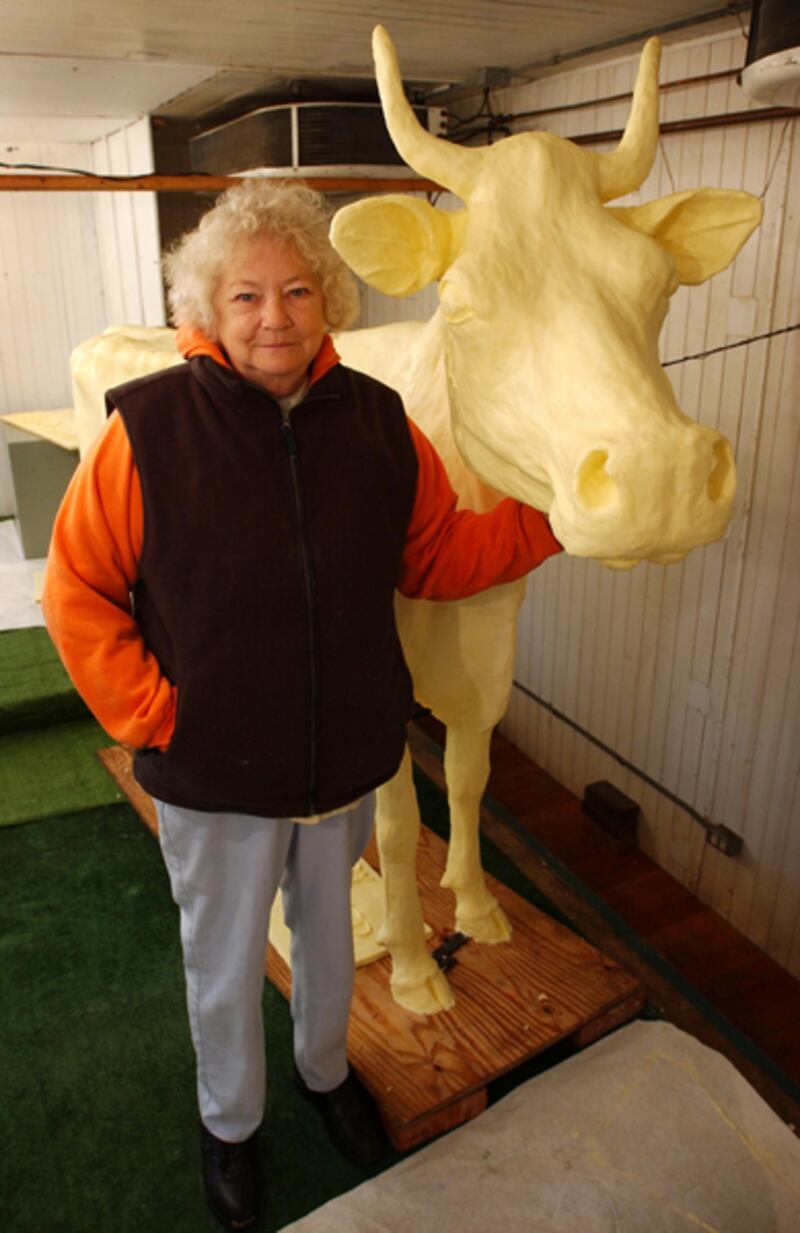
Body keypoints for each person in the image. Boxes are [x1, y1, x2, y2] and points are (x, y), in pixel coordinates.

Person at [43, 179, 562, 1230]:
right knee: (226, 960)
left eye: (295, 291)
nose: (272, 316)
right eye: (245, 295)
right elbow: (77, 590)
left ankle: (325, 1075)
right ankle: (230, 1125)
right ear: (208, 309)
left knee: (328, 943)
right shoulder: (145, 430)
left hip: (341, 761)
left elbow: (436, 555)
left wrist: (558, 513)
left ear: (328, 299)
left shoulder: (377, 422)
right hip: (214, 770)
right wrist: (156, 717)